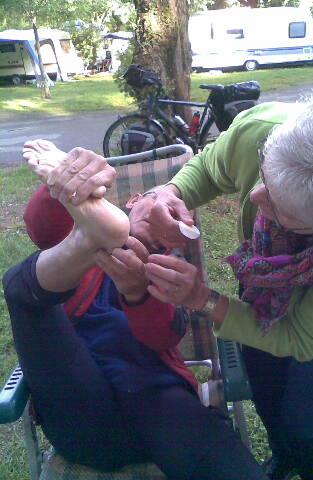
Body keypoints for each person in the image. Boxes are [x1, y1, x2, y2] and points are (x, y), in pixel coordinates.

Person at [132, 78, 313, 480]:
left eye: (276, 202)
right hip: (264, 287)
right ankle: (286, 457)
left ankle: (312, 457)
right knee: (268, 395)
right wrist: (171, 192)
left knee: (309, 424)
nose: (254, 195)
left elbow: (297, 337)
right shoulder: (263, 128)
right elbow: (209, 166)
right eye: (266, 171)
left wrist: (201, 298)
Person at [2, 141, 267, 480]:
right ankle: (85, 225)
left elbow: (165, 336)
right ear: (134, 201)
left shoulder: (170, 272)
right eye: (160, 204)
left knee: (211, 447)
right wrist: (68, 182)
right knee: (28, 294)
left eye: (180, 221)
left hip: (157, 404)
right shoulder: (70, 239)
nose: (169, 219)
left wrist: (137, 292)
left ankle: (97, 236)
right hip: (83, 412)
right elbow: (40, 227)